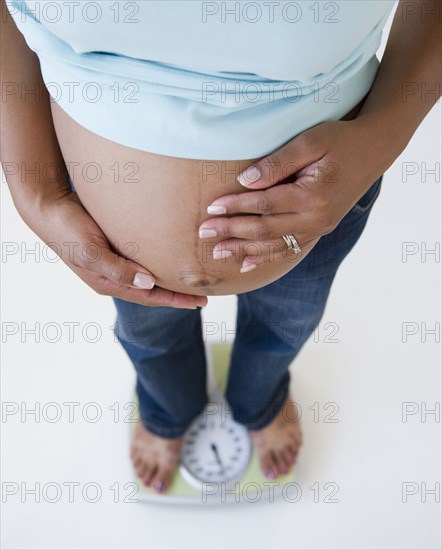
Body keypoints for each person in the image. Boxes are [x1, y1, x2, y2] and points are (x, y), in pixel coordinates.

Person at [2, 0, 440, 495]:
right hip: (112, 234)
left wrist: (381, 138)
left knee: (288, 324)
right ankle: (167, 409)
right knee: (148, 336)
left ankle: (261, 399)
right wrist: (34, 190)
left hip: (319, 210)